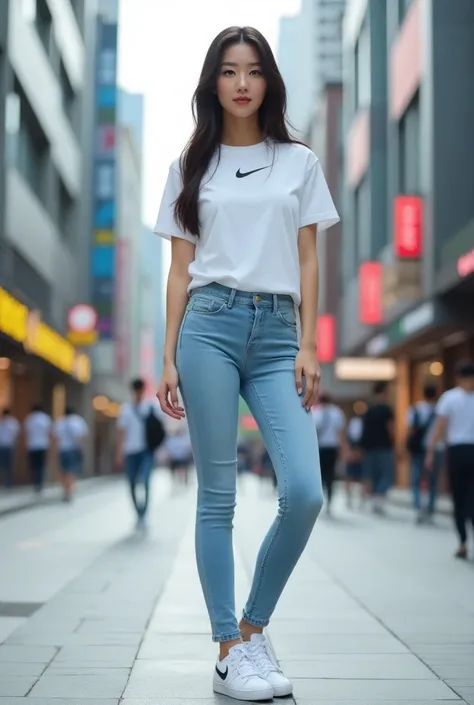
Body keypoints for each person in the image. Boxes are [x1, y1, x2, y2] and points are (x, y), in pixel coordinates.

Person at [155, 26, 339, 702]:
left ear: (268, 82)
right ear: (213, 82)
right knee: (219, 497)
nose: (241, 83)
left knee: (304, 490)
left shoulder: (298, 161)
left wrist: (310, 343)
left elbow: (311, 257)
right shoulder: (189, 165)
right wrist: (167, 355)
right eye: (229, 71)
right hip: (207, 324)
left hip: (276, 332)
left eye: (253, 71)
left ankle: (254, 625)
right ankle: (229, 648)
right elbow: (178, 271)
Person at [426, 361, 474, 559]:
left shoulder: (449, 397)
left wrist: (431, 452)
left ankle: (463, 542)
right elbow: (439, 428)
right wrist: (431, 450)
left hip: (458, 451)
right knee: (464, 498)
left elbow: (440, 428)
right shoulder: (450, 398)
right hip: (461, 450)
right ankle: (463, 541)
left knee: (462, 498)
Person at [116, 378, 165, 527]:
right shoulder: (126, 410)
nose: (138, 393)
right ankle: (139, 513)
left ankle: (143, 514)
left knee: (145, 482)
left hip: (146, 452)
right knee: (131, 484)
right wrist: (119, 453)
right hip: (130, 452)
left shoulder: (151, 407)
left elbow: (159, 429)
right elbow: (121, 433)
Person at [406, 384, 444, 523]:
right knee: (433, 481)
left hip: (419, 449)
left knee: (416, 479)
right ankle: (430, 510)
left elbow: (410, 430)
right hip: (437, 448)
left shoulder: (415, 409)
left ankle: (418, 508)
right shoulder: (441, 409)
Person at [360, 382, 395, 514]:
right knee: (386, 473)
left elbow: (364, 430)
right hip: (384, 446)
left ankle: (375, 497)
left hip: (370, 447)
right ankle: (379, 496)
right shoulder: (386, 409)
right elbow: (390, 428)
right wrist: (394, 442)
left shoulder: (369, 410)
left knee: (374, 473)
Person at [312, 393, 346, 514]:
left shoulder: (314, 412)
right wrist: (342, 448)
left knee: (319, 475)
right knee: (330, 474)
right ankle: (329, 500)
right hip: (332, 447)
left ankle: (319, 499)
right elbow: (340, 432)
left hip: (319, 448)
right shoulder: (337, 412)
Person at [53, 406, 88, 502]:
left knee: (63, 471)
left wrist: (55, 451)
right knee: (71, 471)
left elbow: (56, 438)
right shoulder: (77, 421)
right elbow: (80, 436)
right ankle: (69, 491)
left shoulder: (59, 422)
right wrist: (81, 448)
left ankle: (65, 490)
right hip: (73, 449)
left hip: (62, 449)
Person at [24, 404, 52, 493]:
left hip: (32, 445)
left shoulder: (29, 419)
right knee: (41, 466)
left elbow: (25, 432)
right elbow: (49, 431)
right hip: (42, 445)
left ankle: (35, 482)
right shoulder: (45, 418)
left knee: (33, 466)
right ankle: (40, 483)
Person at [345, 406, 365, 508]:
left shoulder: (358, 423)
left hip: (357, 449)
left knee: (359, 475)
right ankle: (350, 498)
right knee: (353, 475)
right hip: (355, 449)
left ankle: (358, 498)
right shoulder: (356, 423)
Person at [0, 409, 20, 488]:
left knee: (2, 465)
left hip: (2, 446)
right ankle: (9, 483)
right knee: (9, 466)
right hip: (9, 446)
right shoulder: (13, 422)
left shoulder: (1, 422)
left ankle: (3, 481)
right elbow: (16, 435)